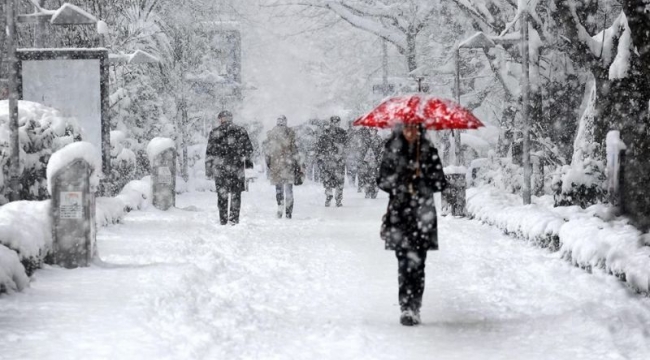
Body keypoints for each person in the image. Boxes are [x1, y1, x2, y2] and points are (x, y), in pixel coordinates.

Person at [377, 123, 447, 326]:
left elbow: (440, 183)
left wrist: (422, 179)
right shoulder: (392, 151)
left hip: (422, 215)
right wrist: (400, 181)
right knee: (404, 264)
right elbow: (381, 181)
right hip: (399, 214)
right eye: (407, 128)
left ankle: (415, 305)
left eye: (414, 129)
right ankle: (406, 307)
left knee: (419, 264)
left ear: (420, 130)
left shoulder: (429, 152)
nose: (410, 132)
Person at [205, 110, 254, 225]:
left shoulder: (215, 132)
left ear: (220, 119)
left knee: (222, 194)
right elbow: (248, 150)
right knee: (236, 194)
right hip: (237, 168)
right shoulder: (241, 131)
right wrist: (248, 165)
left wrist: (209, 169)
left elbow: (209, 153)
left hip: (220, 168)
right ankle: (234, 219)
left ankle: (223, 219)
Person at [264, 115, 302, 219]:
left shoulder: (271, 134)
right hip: (288, 164)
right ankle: (288, 212)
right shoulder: (291, 133)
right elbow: (295, 150)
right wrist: (298, 163)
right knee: (289, 189)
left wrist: (269, 163)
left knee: (279, 189)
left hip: (276, 164)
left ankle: (280, 208)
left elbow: (267, 151)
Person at [315, 115, 348, 207]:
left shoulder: (343, 133)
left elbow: (347, 147)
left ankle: (338, 199)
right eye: (334, 122)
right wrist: (320, 156)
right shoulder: (325, 134)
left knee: (338, 181)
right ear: (331, 122)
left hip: (338, 161)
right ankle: (329, 195)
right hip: (328, 160)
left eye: (337, 122)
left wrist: (342, 154)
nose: (335, 123)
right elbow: (319, 147)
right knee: (328, 180)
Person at [358, 128, 384, 199]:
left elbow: (381, 151)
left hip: (375, 161)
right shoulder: (365, 139)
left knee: (374, 177)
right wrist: (362, 159)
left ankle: (374, 192)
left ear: (376, 131)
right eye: (370, 130)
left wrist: (379, 160)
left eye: (373, 130)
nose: (372, 131)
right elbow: (361, 151)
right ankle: (367, 192)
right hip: (366, 161)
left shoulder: (379, 139)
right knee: (366, 177)